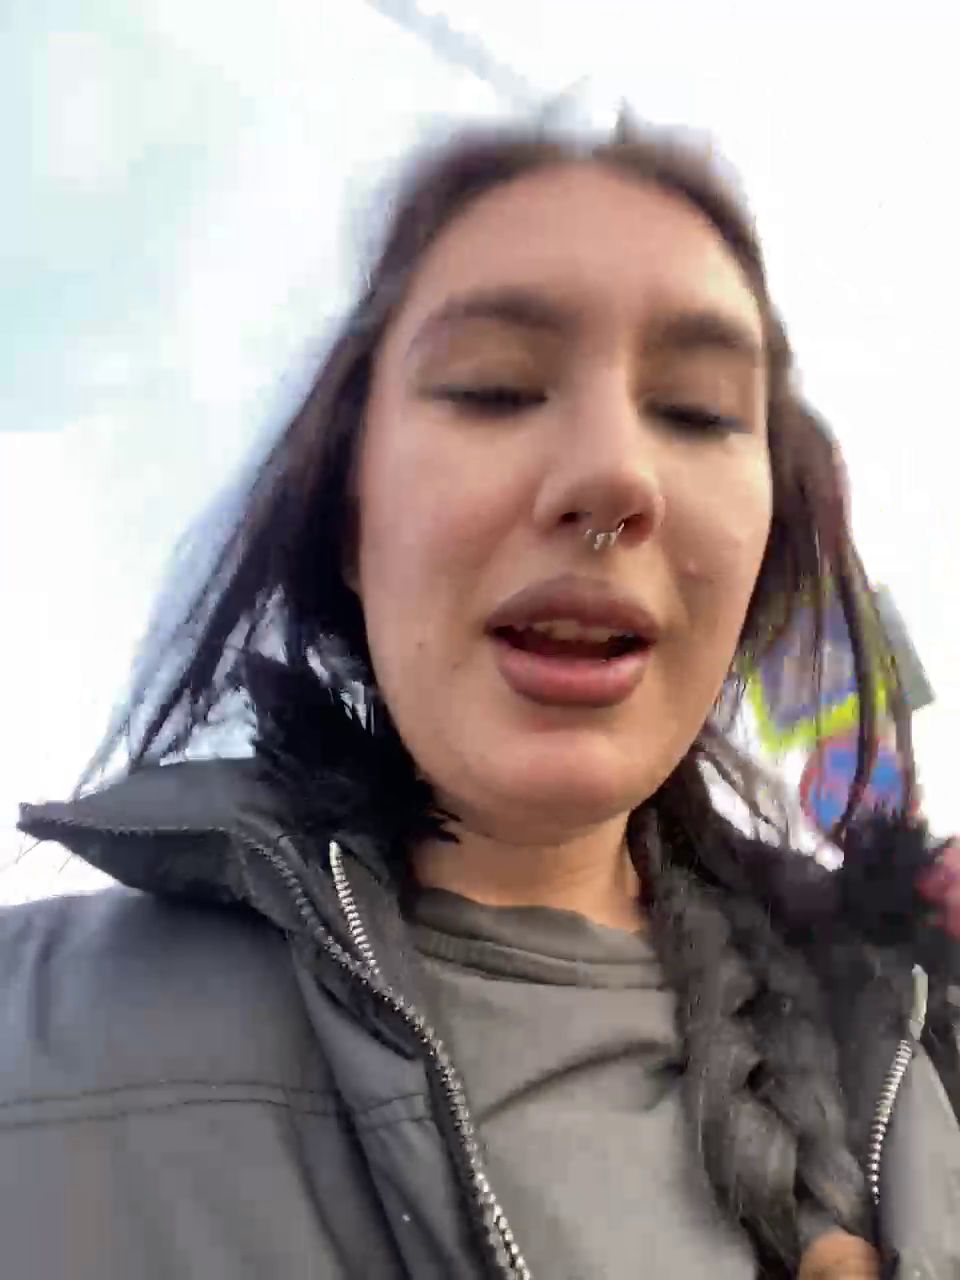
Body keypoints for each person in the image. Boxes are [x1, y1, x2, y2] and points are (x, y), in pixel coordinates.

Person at [4, 120, 959, 1280]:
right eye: (495, 387)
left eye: (700, 410)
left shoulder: (917, 1052)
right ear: (348, 517)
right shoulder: (30, 1042)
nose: (613, 476)